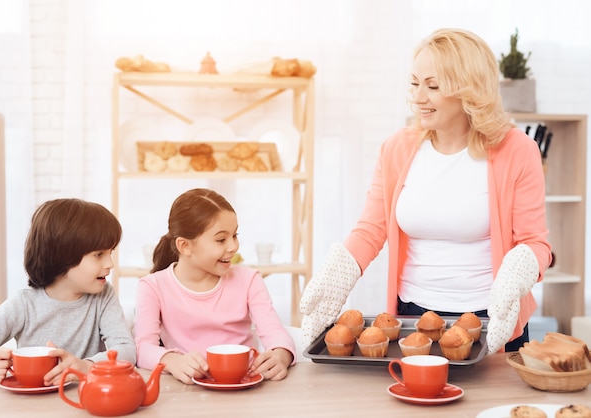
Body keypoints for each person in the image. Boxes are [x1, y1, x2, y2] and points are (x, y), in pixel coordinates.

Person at [300, 28, 551, 355]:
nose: (418, 97)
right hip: (413, 317)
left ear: (469, 90)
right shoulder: (397, 149)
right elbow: (371, 229)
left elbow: (536, 242)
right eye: (415, 83)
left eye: (433, 86)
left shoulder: (517, 150)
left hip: (494, 317)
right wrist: (340, 270)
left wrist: (518, 273)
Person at [133, 188, 296, 384]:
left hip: (244, 388)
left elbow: (274, 332)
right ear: (185, 246)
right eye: (221, 239)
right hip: (187, 393)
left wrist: (282, 355)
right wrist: (172, 361)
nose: (233, 246)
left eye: (235, 235)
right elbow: (143, 348)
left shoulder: (248, 279)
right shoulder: (153, 286)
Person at [0, 198, 136, 385]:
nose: (110, 263)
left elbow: (126, 350)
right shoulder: (23, 304)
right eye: (98, 255)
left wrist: (85, 366)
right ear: (63, 255)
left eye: (110, 252)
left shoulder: (103, 296)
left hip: (85, 404)